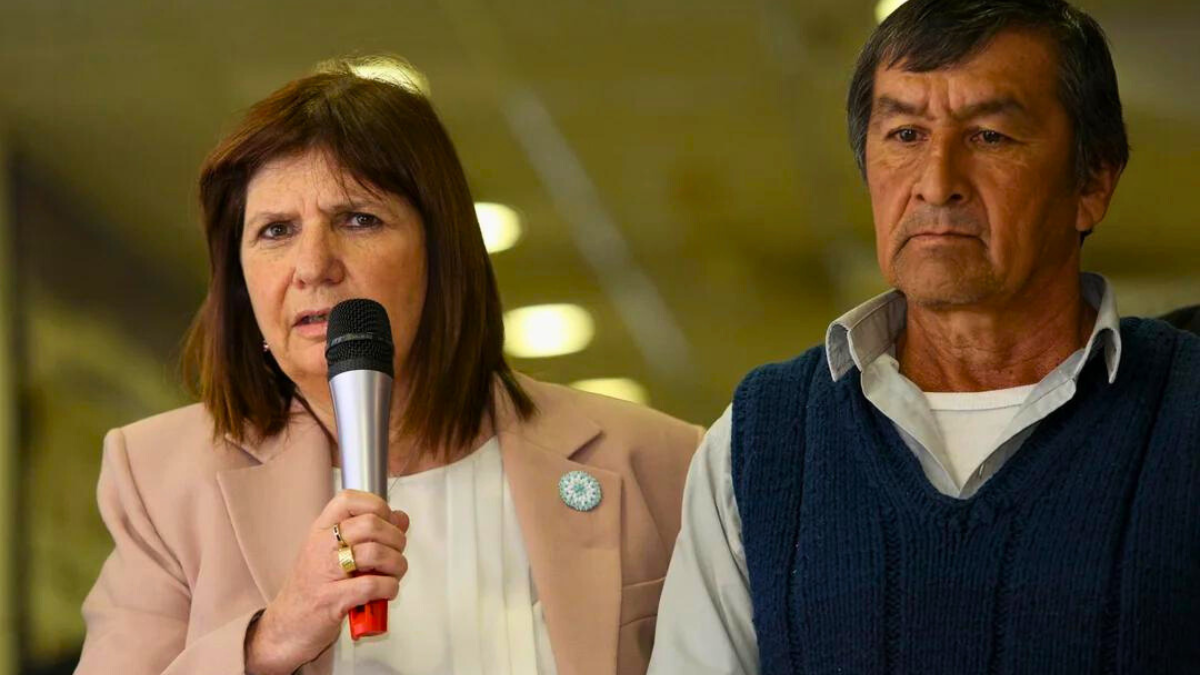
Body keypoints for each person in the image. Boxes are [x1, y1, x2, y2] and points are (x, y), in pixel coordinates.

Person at [77, 56, 702, 675]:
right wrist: (272, 640)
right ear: (239, 283)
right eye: (275, 231)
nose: (313, 264)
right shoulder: (161, 480)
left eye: (358, 219)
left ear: (443, 253)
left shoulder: (656, 463)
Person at [650, 0, 1200, 672]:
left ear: (1092, 182)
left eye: (991, 136)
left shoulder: (1185, 412)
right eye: (905, 135)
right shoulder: (759, 443)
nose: (937, 183)